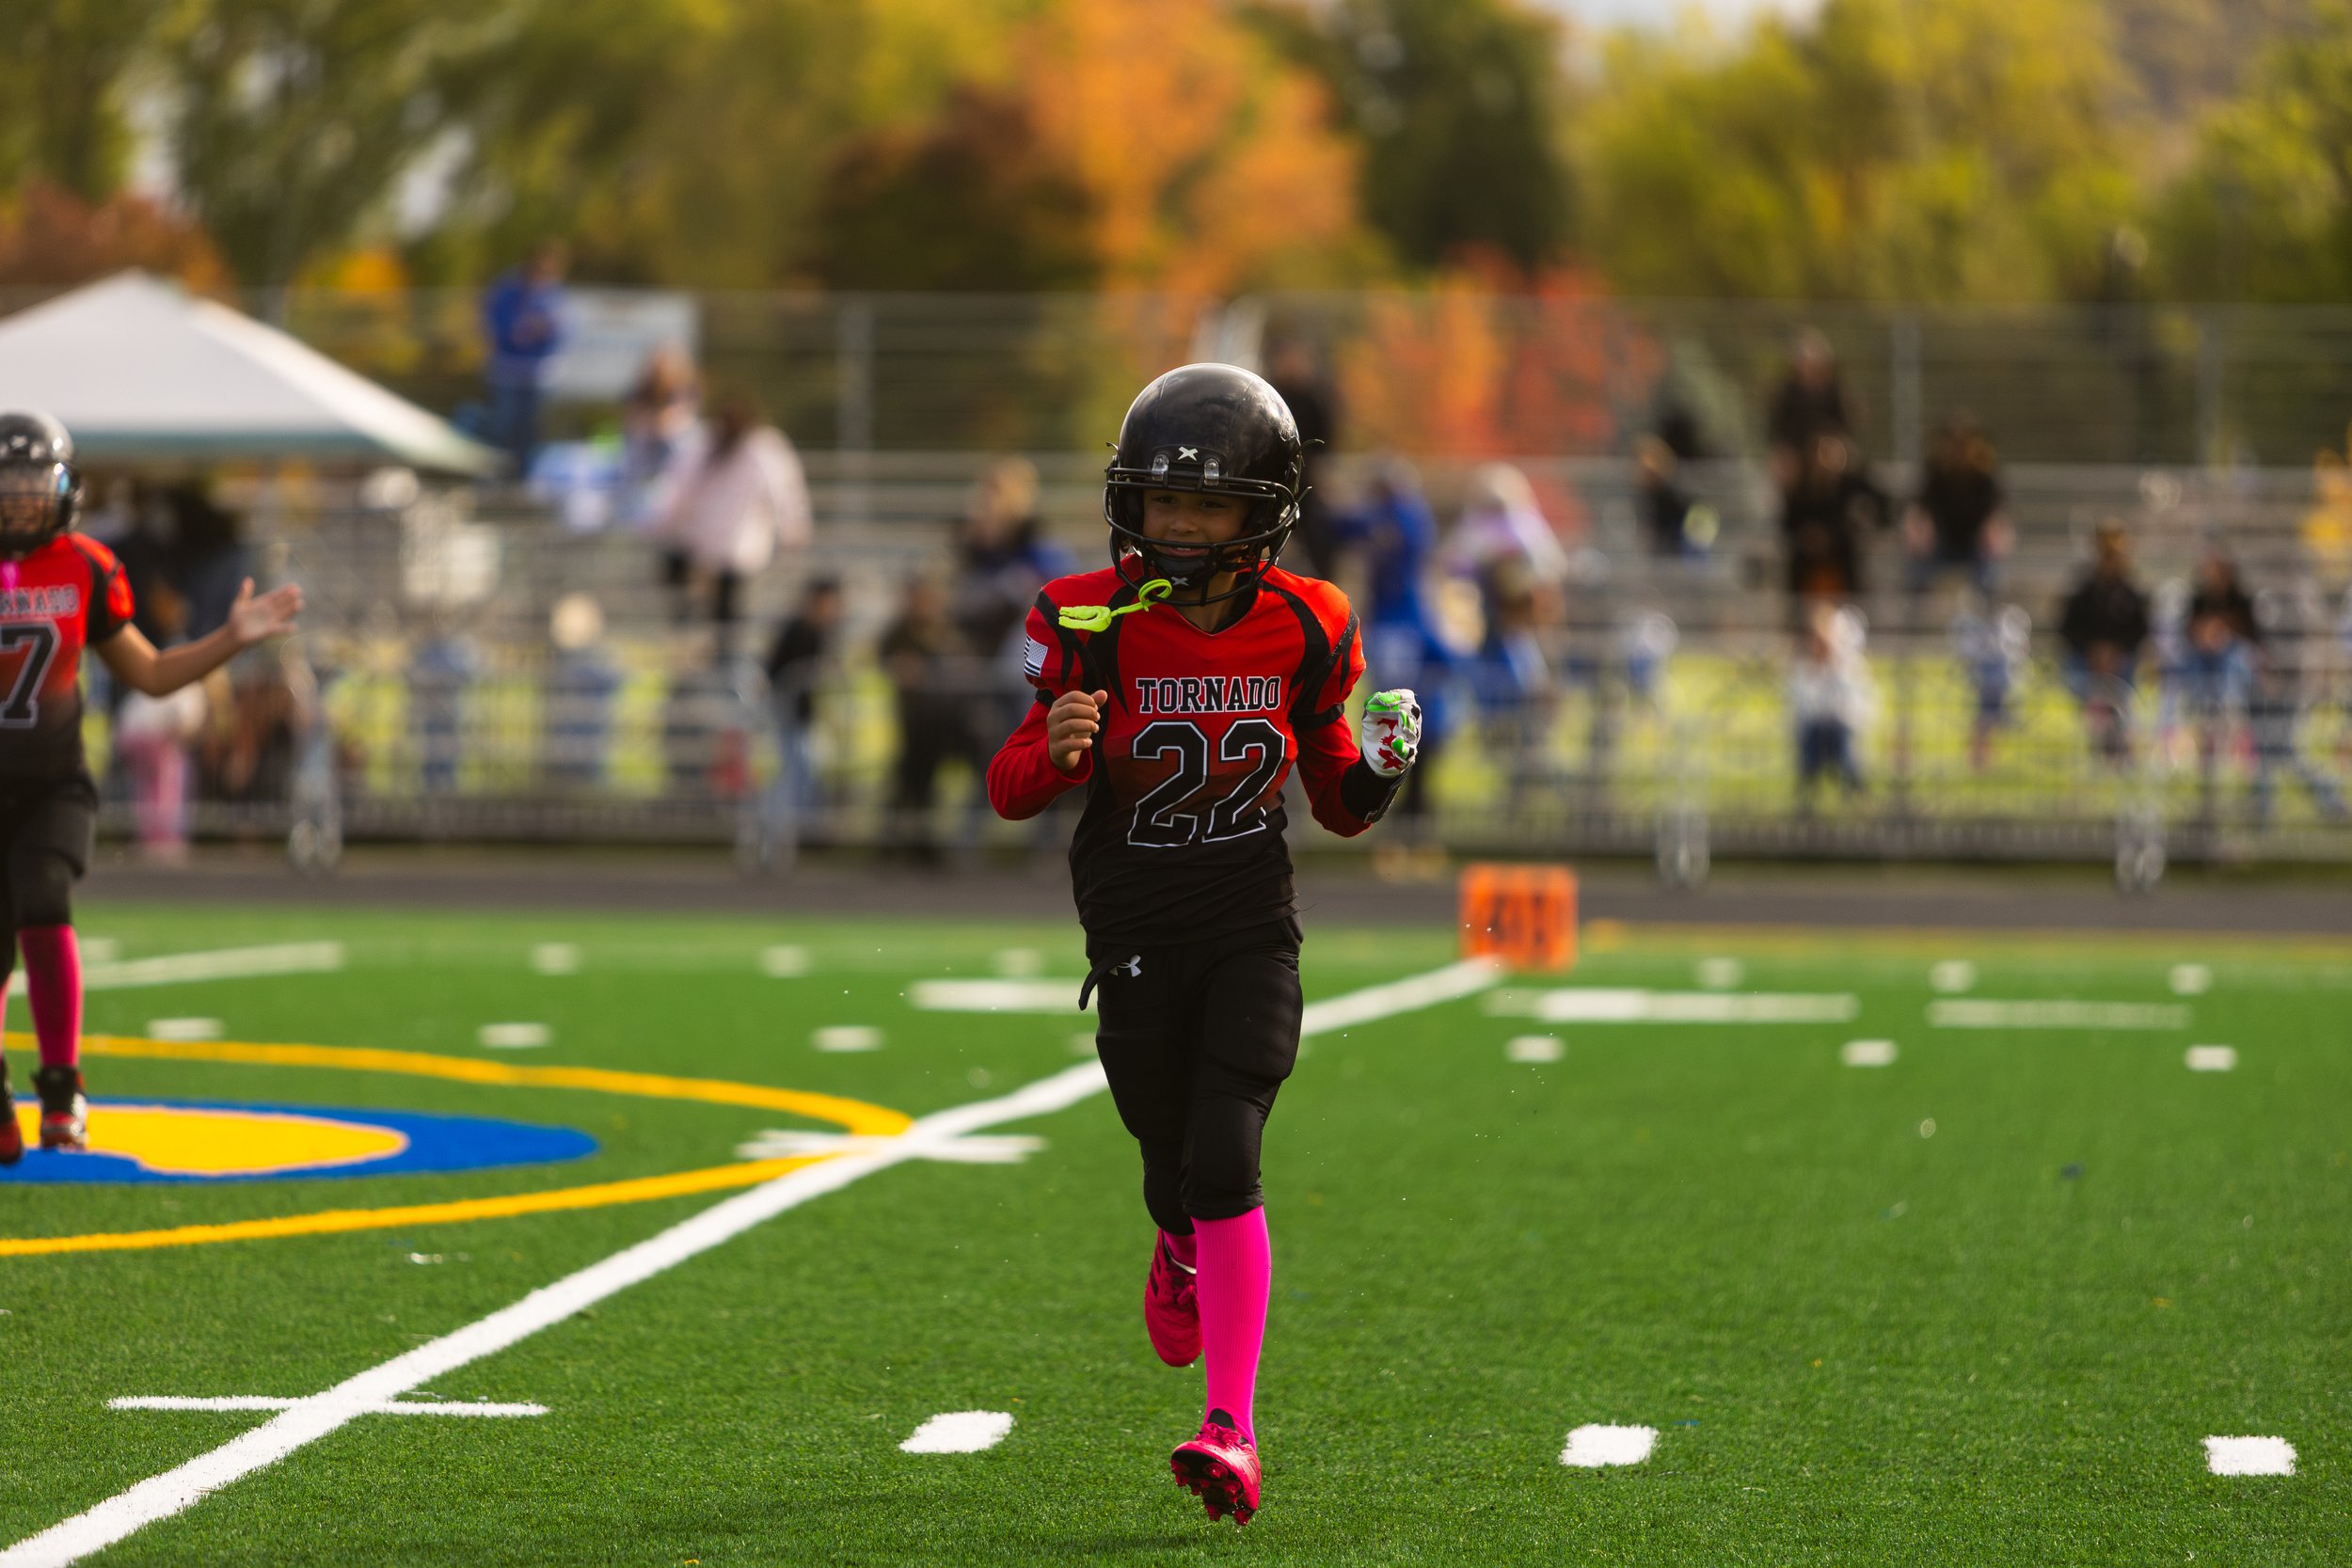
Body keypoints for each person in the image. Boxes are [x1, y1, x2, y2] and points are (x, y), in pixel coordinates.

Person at [985, 364, 1420, 1527]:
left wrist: (1377, 771)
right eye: (1162, 502)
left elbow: (1335, 802)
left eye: (1206, 505)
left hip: (1246, 924)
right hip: (1129, 924)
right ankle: (1175, 1241)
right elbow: (1008, 787)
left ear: (1262, 512)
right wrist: (1064, 746)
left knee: (1228, 1151)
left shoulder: (1311, 621)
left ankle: (1232, 1424)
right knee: (1165, 1151)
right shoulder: (1085, 617)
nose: (1175, 525)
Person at [0, 411, 301, 1162]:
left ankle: (63, 1085)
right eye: (9, 488)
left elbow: (151, 673)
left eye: (35, 486)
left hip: (52, 782)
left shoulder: (88, 565)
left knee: (43, 902)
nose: (22, 503)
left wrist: (230, 638)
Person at [655, 390, 812, 657]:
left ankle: (723, 655)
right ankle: (686, 635)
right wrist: (664, 522)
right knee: (676, 579)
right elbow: (678, 489)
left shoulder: (762, 448)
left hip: (736, 548)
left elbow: (784, 492)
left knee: (728, 608)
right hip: (698, 541)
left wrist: (793, 528)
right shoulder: (704, 445)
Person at [759, 575, 845, 861]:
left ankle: (784, 844)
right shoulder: (797, 631)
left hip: (799, 718)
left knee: (798, 777)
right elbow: (776, 675)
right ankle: (773, 845)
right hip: (786, 717)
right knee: (786, 780)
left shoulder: (819, 633)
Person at [2058, 520, 2152, 765]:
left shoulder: (2131, 593)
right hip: (2086, 661)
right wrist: (2093, 651)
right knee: (2082, 683)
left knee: (2122, 691)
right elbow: (2068, 628)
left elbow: (2140, 632)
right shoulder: (2085, 591)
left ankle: (2118, 745)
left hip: (2120, 663)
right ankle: (2100, 740)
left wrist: (2115, 652)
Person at [480, 240, 570, 474]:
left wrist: (546, 330)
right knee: (503, 428)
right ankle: (496, 473)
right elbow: (498, 328)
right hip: (508, 372)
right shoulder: (507, 292)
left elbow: (564, 332)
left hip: (538, 375)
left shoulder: (554, 295)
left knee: (532, 432)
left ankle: (526, 477)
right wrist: (522, 331)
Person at [1904, 417, 2010, 601]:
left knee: (1989, 572)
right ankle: (1911, 620)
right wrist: (1919, 532)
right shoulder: (1934, 474)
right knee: (1916, 570)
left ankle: (1990, 619)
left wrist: (1994, 534)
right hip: (1941, 544)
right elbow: (1919, 511)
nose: (1959, 450)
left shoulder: (1984, 477)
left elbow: (1997, 515)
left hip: (1974, 545)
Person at [1264, 336, 1341, 578]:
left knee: (1320, 535)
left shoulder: (1314, 398)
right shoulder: (1270, 395)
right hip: (1273, 477)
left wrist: (1322, 477)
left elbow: (1326, 443)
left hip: (1307, 479)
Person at [1788, 602, 1873, 804]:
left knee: (1840, 737)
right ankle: (1808, 794)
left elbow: (1858, 703)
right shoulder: (1803, 668)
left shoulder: (1849, 666)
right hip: (1814, 729)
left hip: (1841, 727)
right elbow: (1800, 703)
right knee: (1813, 738)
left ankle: (1853, 788)